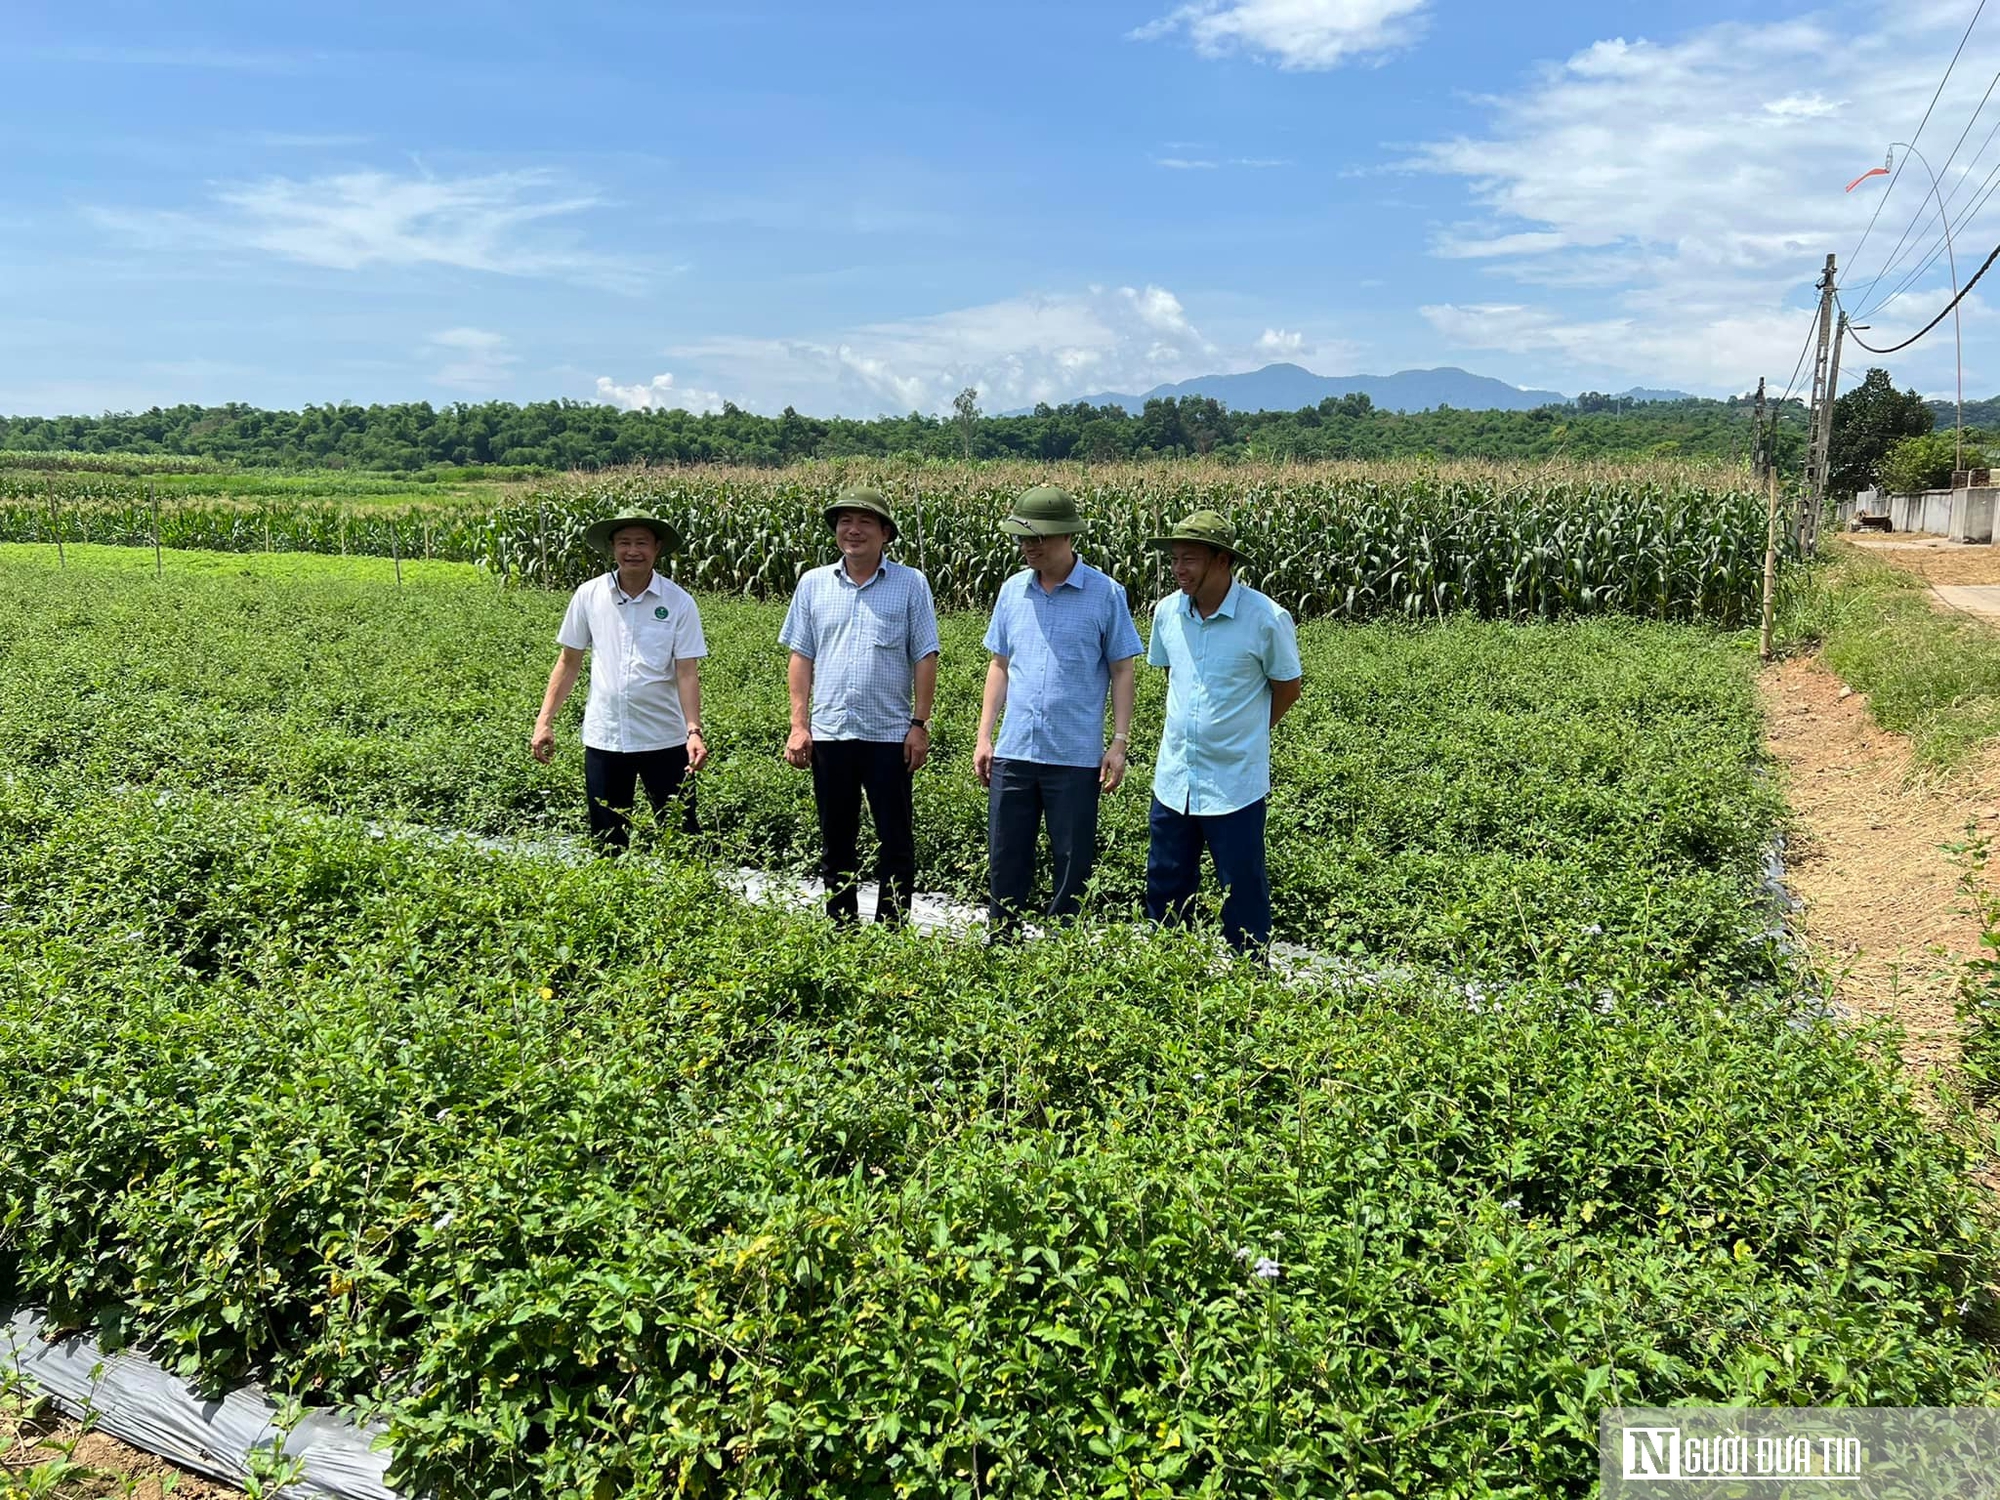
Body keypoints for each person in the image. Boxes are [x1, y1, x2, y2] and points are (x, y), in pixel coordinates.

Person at [974, 484, 1142, 938]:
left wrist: (1119, 743)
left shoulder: (1106, 594)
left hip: (1075, 754)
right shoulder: (1012, 591)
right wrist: (985, 736)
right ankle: (1001, 938)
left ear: (1068, 537)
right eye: (1024, 539)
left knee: (1072, 858)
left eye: (1039, 538)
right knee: (1007, 852)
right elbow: (1000, 665)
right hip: (1014, 751)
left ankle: (1061, 947)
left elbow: (1122, 670)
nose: (1029, 547)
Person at [779, 486, 941, 925]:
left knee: (895, 840)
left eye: (865, 522)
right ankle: (841, 926)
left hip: (889, 736)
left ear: (885, 533)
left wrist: (919, 724)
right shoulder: (813, 583)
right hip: (831, 733)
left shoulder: (910, 584)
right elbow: (801, 655)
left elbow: (925, 655)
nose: (853, 531)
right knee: (836, 839)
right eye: (845, 522)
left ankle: (890, 928)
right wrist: (799, 725)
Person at [1144, 510, 1303, 954]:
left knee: (1242, 889)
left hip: (1235, 784)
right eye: (1175, 559)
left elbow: (1287, 689)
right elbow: (1172, 675)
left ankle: (1250, 979)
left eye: (1189, 559)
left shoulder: (1266, 618)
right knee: (1166, 883)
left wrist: (1248, 734)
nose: (1178, 570)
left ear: (1222, 561)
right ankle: (1166, 978)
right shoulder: (1167, 612)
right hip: (1174, 779)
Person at [531, 509, 708, 852]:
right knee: (607, 840)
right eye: (624, 542)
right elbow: (568, 662)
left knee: (681, 836)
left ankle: (688, 899)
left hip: (664, 739)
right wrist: (544, 722)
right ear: (612, 548)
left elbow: (686, 671)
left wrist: (693, 731)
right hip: (605, 737)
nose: (633, 551)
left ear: (657, 548)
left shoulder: (679, 602)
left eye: (641, 542)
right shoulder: (589, 595)